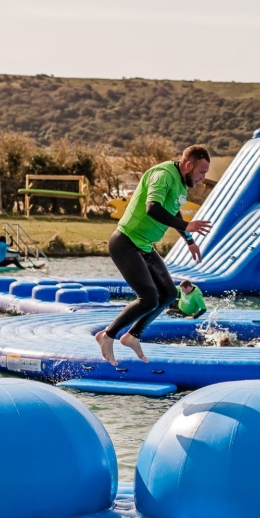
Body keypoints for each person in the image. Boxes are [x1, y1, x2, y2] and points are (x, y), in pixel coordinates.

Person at [95, 145, 213, 365]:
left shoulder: (181, 183)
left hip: (145, 245)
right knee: (148, 299)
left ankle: (132, 335)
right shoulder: (163, 176)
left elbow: (172, 210)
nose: (203, 177)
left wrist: (189, 240)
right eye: (202, 171)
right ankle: (107, 335)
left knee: (168, 294)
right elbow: (153, 208)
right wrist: (187, 226)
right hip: (126, 242)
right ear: (189, 165)